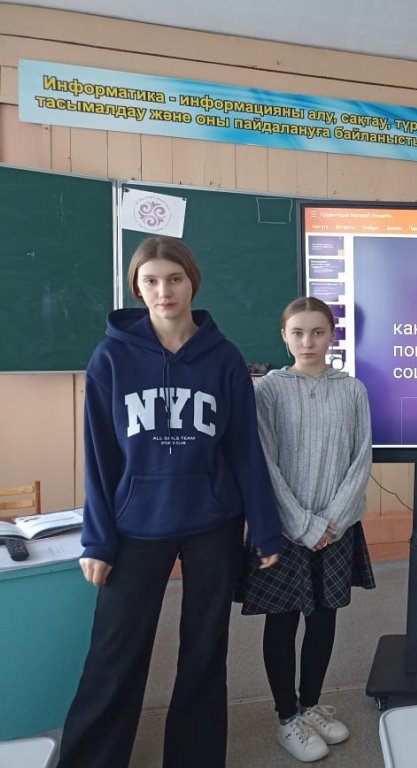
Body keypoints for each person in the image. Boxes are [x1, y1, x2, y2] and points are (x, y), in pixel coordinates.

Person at [59, 236, 282, 768]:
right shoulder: (112, 357)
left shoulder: (223, 358)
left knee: (204, 654)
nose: (165, 291)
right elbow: (99, 455)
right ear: (137, 288)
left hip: (213, 523)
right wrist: (98, 539)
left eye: (175, 279)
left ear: (192, 282)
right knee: (115, 654)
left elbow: (245, 449)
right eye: (152, 281)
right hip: (136, 525)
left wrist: (265, 526)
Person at [240, 296, 375, 763]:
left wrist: (332, 522)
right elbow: (264, 462)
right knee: (282, 622)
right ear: (284, 336)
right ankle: (286, 718)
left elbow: (361, 458)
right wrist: (303, 524)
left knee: (324, 618)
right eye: (298, 332)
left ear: (332, 335)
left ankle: (310, 704)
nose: (308, 341)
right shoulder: (268, 390)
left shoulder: (352, 389)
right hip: (284, 528)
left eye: (318, 332)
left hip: (337, 528)